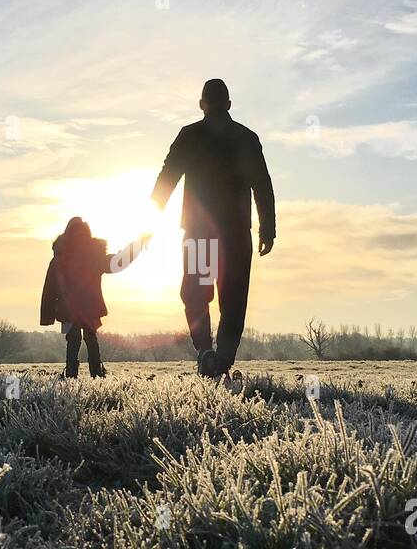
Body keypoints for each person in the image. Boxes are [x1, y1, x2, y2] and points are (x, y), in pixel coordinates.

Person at [151, 78, 275, 378]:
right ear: (229, 105)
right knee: (233, 298)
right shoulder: (246, 137)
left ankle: (206, 351)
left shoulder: (189, 135)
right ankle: (223, 359)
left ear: (201, 104)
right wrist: (267, 228)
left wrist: (152, 216)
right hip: (234, 234)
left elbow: (167, 175)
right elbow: (262, 184)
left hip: (199, 233)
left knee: (195, 292)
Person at [40, 217, 150, 378]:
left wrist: (48, 315)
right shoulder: (94, 257)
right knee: (91, 339)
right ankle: (97, 374)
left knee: (73, 340)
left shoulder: (59, 258)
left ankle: (71, 374)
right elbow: (118, 262)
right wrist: (138, 245)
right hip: (89, 307)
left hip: (68, 309)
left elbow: (49, 289)